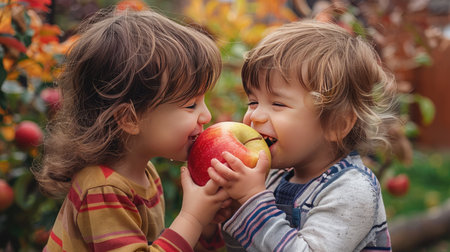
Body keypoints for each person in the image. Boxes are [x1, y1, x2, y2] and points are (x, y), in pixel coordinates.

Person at [33, 7, 229, 252]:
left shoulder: (145, 173)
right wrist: (192, 218)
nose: (206, 115)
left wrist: (207, 223)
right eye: (191, 104)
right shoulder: (102, 188)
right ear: (129, 118)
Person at [207, 19, 396, 251]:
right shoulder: (273, 177)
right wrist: (228, 211)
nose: (255, 116)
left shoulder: (352, 191)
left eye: (278, 104)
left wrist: (250, 200)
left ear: (337, 124)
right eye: (253, 101)